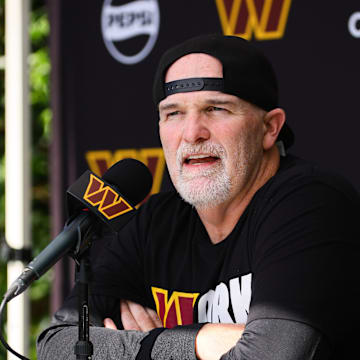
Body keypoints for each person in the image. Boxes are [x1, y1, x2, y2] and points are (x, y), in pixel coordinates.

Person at [37, 34, 360, 359]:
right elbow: (56, 346)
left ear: (270, 128)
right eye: (174, 113)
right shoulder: (154, 224)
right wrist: (195, 342)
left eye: (216, 108)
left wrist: (145, 346)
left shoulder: (311, 205)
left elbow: (271, 355)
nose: (192, 133)